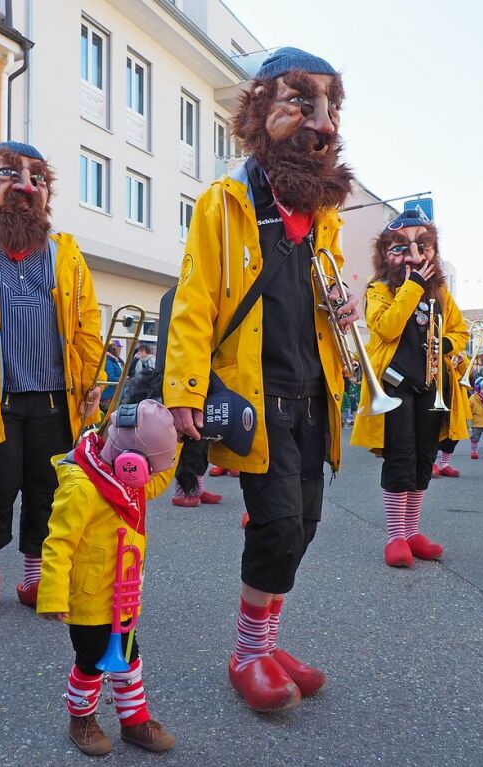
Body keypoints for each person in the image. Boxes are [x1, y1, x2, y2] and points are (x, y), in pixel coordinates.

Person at [164, 47, 357, 712]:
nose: (323, 123)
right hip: (256, 397)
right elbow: (194, 302)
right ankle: (247, 652)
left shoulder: (324, 214)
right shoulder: (227, 202)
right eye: (303, 102)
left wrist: (342, 310)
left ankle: (267, 639)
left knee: (304, 524)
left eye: (331, 105)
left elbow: (320, 300)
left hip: (313, 395)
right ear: (259, 109)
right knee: (275, 526)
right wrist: (185, 391)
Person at [0, 141, 103, 616]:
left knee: (47, 490)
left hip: (55, 400)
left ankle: (34, 578)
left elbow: (87, 324)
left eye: (37, 178)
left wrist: (92, 380)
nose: (26, 186)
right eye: (11, 175)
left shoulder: (66, 255)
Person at [38, 399, 179, 756]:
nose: (150, 478)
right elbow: (58, 544)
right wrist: (53, 595)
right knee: (90, 663)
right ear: (131, 463)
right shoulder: (83, 487)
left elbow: (156, 482)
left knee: (130, 659)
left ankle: (134, 720)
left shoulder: (125, 479)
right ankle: (80, 717)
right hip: (90, 600)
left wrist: (181, 440)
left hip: (124, 596)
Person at [351, 210, 469, 568]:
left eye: (423, 246)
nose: (415, 256)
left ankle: (412, 530)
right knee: (399, 457)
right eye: (401, 248)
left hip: (433, 384)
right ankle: (396, 536)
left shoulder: (442, 294)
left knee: (423, 459)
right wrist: (413, 286)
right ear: (385, 253)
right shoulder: (378, 290)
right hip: (394, 386)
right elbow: (386, 327)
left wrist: (444, 345)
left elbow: (461, 332)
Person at [433, 353, 473, 478]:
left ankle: (444, 464)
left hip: (454, 395)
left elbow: (468, 372)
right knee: (432, 431)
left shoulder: (457, 346)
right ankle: (430, 463)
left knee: (455, 433)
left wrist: (461, 361)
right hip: (435, 390)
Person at [99, 341, 124, 414]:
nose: (119, 350)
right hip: (109, 396)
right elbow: (110, 377)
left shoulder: (116, 361)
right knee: (110, 418)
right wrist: (123, 380)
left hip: (114, 394)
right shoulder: (109, 361)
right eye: (117, 348)